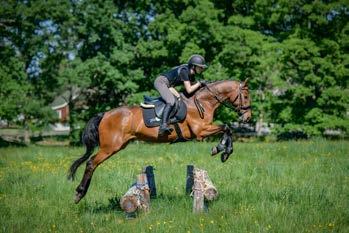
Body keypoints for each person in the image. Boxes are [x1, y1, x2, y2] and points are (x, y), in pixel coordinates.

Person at [154, 54, 208, 135]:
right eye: (200, 67)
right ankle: (163, 126)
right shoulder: (184, 71)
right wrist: (199, 83)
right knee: (171, 101)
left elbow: (194, 88)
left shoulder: (191, 74)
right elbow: (189, 90)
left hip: (169, 86)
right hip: (161, 82)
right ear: (193, 66)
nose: (202, 69)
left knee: (179, 99)